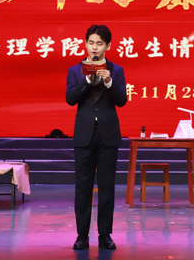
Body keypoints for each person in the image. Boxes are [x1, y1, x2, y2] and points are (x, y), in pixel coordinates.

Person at [66, 24, 127, 250]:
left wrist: (109, 83)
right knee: (83, 187)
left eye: (99, 43)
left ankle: (105, 234)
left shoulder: (116, 70)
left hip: (108, 136)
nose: (94, 47)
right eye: (91, 43)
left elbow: (122, 101)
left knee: (107, 186)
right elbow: (70, 99)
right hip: (84, 136)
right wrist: (86, 81)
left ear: (107, 46)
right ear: (85, 44)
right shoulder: (75, 70)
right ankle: (82, 235)